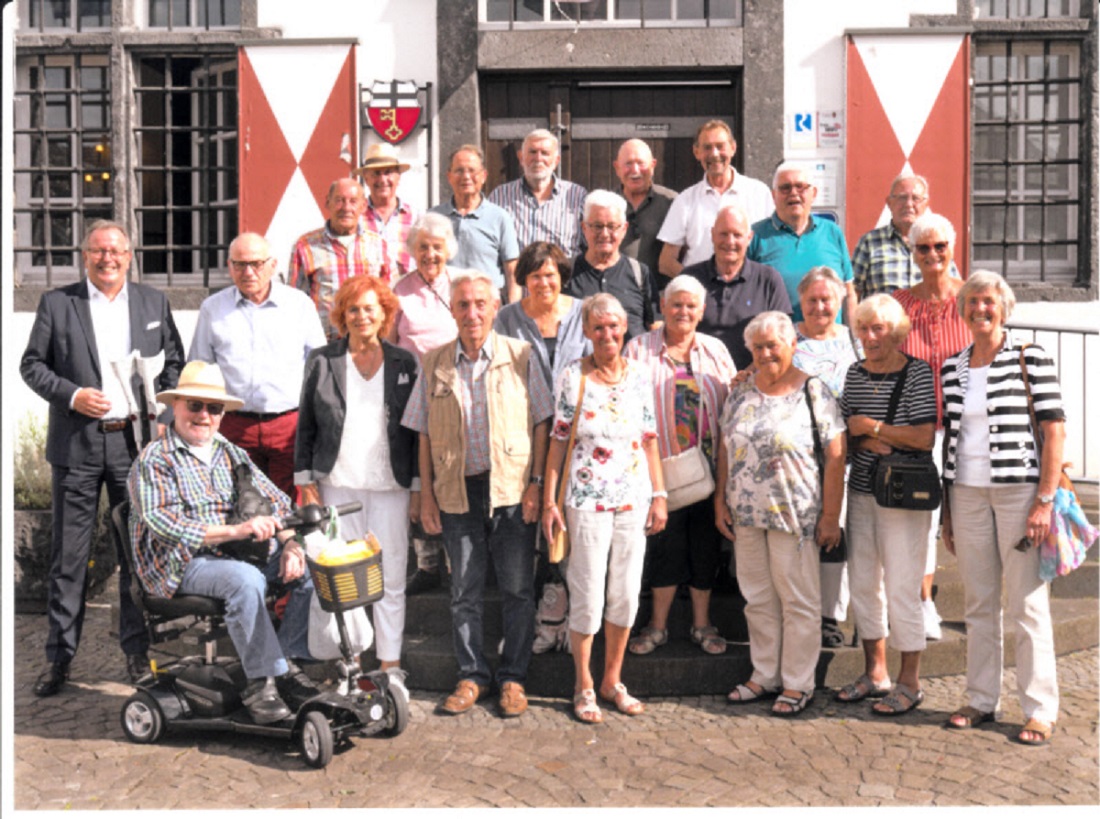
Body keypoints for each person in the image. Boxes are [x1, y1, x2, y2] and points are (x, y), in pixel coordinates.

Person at [20, 220, 185, 696]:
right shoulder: (58, 303)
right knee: (70, 557)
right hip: (77, 443)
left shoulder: (153, 302)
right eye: (98, 251)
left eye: (116, 250)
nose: (107, 258)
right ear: (84, 256)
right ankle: (59, 658)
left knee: (136, 554)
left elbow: (175, 360)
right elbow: (31, 364)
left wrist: (166, 410)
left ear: (130, 255)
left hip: (135, 445)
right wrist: (72, 396)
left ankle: (136, 653)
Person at [128, 361, 319, 725]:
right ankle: (259, 684)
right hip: (180, 561)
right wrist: (240, 530)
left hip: (234, 551)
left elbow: (278, 502)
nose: (204, 415)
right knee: (245, 581)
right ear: (176, 406)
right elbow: (165, 524)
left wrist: (291, 543)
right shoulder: (154, 460)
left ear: (222, 415)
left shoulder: (228, 451)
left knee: (306, 567)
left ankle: (287, 666)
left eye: (213, 408)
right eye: (195, 405)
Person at [401, 270, 554, 719]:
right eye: (463, 305)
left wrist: (536, 485)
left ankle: (513, 679)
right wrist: (424, 493)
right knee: (464, 589)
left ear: (494, 307)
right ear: (452, 310)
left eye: (480, 304)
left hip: (511, 488)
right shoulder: (433, 362)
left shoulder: (521, 355)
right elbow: (423, 433)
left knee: (517, 589)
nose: (472, 313)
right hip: (457, 491)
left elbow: (542, 422)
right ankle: (471, 675)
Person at [941, 271, 1065, 746]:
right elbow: (952, 438)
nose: (980, 309)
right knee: (978, 603)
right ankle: (980, 698)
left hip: (1020, 494)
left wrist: (1044, 500)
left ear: (1004, 307)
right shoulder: (953, 366)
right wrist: (949, 513)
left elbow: (1053, 430)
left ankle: (1039, 708)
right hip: (967, 494)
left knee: (1027, 604)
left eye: (988, 301)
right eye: (971, 301)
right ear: (963, 310)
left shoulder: (1029, 356)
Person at [543, 294, 667, 724]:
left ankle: (613, 681)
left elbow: (649, 440)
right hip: (586, 501)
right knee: (588, 593)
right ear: (588, 330)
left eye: (614, 326)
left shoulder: (638, 376)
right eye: (599, 327)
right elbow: (558, 443)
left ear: (625, 328)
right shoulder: (572, 377)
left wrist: (660, 494)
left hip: (633, 499)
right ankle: (583, 684)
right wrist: (549, 502)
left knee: (625, 594)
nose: (608, 334)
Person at [715, 311, 845, 717]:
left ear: (792, 345)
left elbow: (837, 455)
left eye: (774, 345)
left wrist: (830, 516)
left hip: (796, 512)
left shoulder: (815, 391)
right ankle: (764, 674)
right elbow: (724, 445)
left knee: (798, 600)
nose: (766, 353)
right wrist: (720, 498)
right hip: (747, 511)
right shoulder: (739, 390)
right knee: (757, 598)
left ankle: (797, 682)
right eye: (758, 346)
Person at [295, 276, 419, 680]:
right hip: (337, 482)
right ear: (341, 315)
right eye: (353, 309)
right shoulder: (322, 360)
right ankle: (350, 661)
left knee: (391, 575)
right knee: (341, 577)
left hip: (391, 485)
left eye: (370, 308)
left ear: (384, 314)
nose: (362, 316)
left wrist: (418, 487)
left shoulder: (404, 362)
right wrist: (304, 480)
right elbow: (306, 424)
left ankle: (390, 663)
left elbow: (416, 431)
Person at [623, 276, 736, 657]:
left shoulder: (716, 350)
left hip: (709, 470)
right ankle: (657, 627)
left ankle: (702, 625)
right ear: (662, 305)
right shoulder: (638, 350)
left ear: (702, 311)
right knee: (665, 546)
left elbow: (734, 401)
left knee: (705, 546)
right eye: (676, 304)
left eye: (691, 306)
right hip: (659, 471)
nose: (683, 312)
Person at [835, 294, 937, 716]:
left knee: (902, 586)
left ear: (896, 332)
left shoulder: (916, 372)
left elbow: (924, 437)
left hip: (901, 496)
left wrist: (873, 428)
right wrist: (861, 437)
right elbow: (843, 433)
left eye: (879, 329)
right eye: (863, 328)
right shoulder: (855, 374)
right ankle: (875, 672)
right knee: (862, 584)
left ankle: (910, 681)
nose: (870, 337)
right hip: (861, 489)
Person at [189, 232, 326, 499]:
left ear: (273, 265)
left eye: (256, 264)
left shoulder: (299, 306)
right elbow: (199, 369)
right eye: (239, 264)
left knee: (291, 507)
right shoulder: (212, 309)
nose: (248, 272)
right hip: (235, 426)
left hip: (289, 426)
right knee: (239, 506)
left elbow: (319, 367)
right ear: (229, 267)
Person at [892, 211, 971, 641]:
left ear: (951, 248)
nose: (933, 254)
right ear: (913, 252)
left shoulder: (971, 298)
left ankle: (980, 601)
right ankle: (922, 604)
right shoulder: (900, 305)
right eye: (924, 247)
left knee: (968, 518)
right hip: (920, 430)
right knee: (923, 519)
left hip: (968, 429)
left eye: (940, 246)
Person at [388, 212, 462, 595]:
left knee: (450, 477)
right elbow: (387, 347)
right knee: (419, 479)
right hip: (411, 401)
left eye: (437, 247)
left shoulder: (462, 285)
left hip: (455, 399)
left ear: (448, 249)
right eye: (423, 248)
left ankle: (455, 562)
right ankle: (426, 562)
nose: (430, 254)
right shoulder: (399, 292)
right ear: (412, 251)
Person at [791, 267, 863, 647]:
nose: (820, 307)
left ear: (839, 303)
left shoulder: (855, 340)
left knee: (837, 536)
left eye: (827, 300)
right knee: (802, 536)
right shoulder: (787, 339)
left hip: (847, 455)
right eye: (812, 300)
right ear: (800, 302)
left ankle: (830, 616)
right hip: (797, 459)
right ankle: (803, 612)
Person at [680, 204, 792, 369]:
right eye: (723, 234)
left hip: (755, 378)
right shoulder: (690, 278)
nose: (729, 242)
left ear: (749, 238)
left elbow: (783, 339)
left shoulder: (768, 279)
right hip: (699, 377)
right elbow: (676, 333)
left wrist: (747, 376)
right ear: (712, 235)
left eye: (737, 235)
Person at [656, 119, 772, 279]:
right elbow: (666, 262)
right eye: (707, 147)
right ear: (697, 153)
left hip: (749, 293)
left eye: (720, 146)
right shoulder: (685, 200)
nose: (714, 153)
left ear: (733, 148)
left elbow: (773, 249)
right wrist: (695, 285)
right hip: (701, 297)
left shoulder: (759, 193)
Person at [747, 162, 856, 324]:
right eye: (785, 188)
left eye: (800, 187)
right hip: (778, 343)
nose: (793, 193)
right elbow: (745, 296)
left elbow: (848, 293)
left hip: (830, 343)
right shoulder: (755, 236)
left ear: (814, 193)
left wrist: (854, 341)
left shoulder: (832, 232)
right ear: (774, 195)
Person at [287, 177, 386, 339]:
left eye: (353, 201)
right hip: (324, 341)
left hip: (368, 341)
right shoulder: (306, 246)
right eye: (339, 200)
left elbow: (387, 296)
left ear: (363, 206)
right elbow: (293, 301)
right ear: (327, 203)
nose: (346, 208)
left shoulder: (378, 245)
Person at [430, 144, 521, 302]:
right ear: (449, 176)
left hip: (488, 307)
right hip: (444, 306)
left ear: (484, 176)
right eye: (459, 170)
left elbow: (512, 272)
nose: (466, 177)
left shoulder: (500, 217)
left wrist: (512, 314)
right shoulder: (433, 217)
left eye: (472, 171)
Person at [564, 189, 658, 343]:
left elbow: (655, 327)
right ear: (584, 228)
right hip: (581, 365)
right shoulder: (566, 273)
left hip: (632, 364)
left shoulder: (639, 273)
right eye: (597, 226)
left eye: (612, 226)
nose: (605, 234)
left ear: (624, 229)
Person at [494, 242, 591, 387]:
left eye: (549, 275)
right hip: (524, 406)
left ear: (561, 276)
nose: (544, 283)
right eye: (535, 276)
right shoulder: (507, 318)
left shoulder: (584, 313)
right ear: (525, 279)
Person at [850, 173, 959, 299]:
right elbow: (852, 292)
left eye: (916, 198)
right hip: (884, 318)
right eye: (902, 198)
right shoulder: (869, 243)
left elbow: (955, 290)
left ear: (926, 204)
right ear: (889, 203)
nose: (908, 204)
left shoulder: (937, 244)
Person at [488, 128, 587, 257]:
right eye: (532, 152)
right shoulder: (499, 197)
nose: (538, 158)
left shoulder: (577, 195)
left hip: (564, 275)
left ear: (556, 160)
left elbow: (590, 245)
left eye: (545, 153)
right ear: (521, 158)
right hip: (516, 275)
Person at [613, 138, 677, 289]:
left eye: (641, 163)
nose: (635, 170)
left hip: (660, 297)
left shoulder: (672, 202)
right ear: (617, 168)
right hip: (617, 295)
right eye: (628, 164)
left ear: (653, 165)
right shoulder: (606, 205)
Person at [357, 143, 420, 278]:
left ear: (398, 177)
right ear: (366, 179)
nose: (382, 179)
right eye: (376, 174)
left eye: (388, 173)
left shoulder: (416, 218)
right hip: (368, 295)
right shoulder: (356, 217)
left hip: (406, 295)